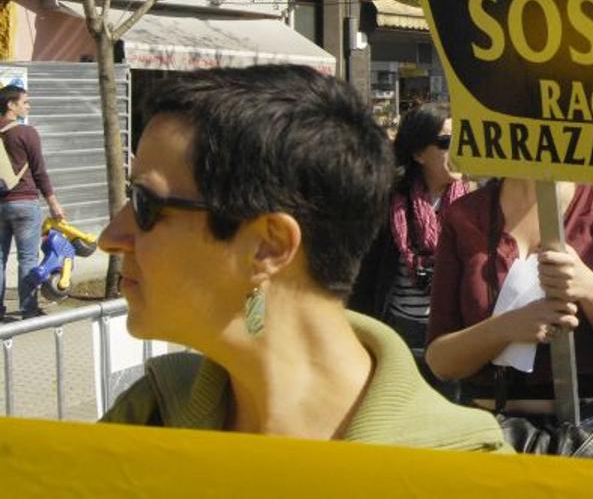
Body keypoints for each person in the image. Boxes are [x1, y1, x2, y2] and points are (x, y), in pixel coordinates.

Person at [97, 65, 506, 450]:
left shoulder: (467, 472)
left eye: (145, 203)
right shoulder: (148, 415)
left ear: (269, 247)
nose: (110, 238)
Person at [424, 178, 593, 431]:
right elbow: (440, 361)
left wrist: (591, 289)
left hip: (587, 433)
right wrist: (506, 328)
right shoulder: (465, 214)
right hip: (489, 434)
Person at [350, 104, 472, 366]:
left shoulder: (477, 203)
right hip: (398, 331)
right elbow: (365, 276)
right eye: (446, 142)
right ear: (418, 153)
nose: (459, 149)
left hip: (458, 332)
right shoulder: (389, 203)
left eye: (463, 139)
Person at [0, 84, 63, 321]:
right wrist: (53, 203)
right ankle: (28, 309)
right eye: (25, 102)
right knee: (27, 258)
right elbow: (39, 172)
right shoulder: (27, 133)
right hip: (25, 203)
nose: (29, 105)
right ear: (11, 105)